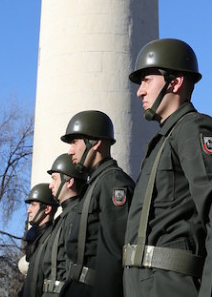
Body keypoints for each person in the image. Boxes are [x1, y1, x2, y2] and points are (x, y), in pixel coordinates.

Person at [123, 38, 212, 297]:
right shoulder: (161, 141)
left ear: (175, 82)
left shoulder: (195, 130)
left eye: (147, 80)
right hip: (144, 283)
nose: (139, 91)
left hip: (172, 284)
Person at [60, 110, 135, 297]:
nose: (70, 151)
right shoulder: (95, 184)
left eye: (74, 142)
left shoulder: (113, 183)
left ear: (96, 142)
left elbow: (114, 255)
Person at [38, 153, 87, 295]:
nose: (50, 185)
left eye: (54, 178)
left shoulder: (74, 216)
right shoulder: (63, 218)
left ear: (69, 181)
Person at [19, 183, 58, 297]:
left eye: (33, 205)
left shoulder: (54, 237)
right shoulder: (34, 239)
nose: (28, 210)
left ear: (47, 208)